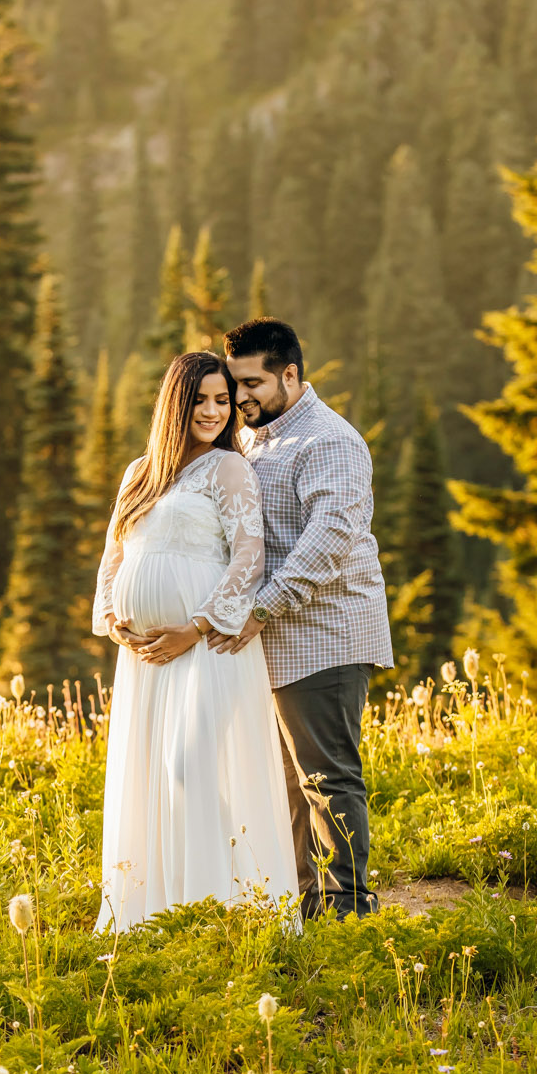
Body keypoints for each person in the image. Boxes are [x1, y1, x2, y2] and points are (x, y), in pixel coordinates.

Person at [90, 351, 300, 932]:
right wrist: (113, 620)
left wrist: (197, 627)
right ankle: (156, 911)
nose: (213, 411)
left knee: (190, 768)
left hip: (207, 650)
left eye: (222, 399)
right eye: (201, 399)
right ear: (174, 403)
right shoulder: (140, 473)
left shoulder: (229, 470)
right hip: (147, 659)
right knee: (153, 776)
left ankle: (230, 907)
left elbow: (249, 560)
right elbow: (114, 557)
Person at [216, 318, 394, 920]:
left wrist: (262, 607)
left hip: (325, 636)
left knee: (326, 779)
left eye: (252, 383)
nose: (241, 398)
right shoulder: (255, 441)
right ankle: (300, 904)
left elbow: (331, 536)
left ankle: (348, 909)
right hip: (271, 642)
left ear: (290, 374)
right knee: (286, 783)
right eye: (234, 384)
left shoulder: (328, 440)